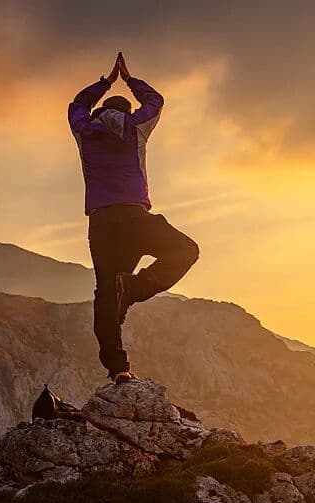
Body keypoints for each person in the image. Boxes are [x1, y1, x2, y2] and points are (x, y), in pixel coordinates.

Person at [68, 52, 199, 384]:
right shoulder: (135, 127)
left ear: (99, 111)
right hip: (135, 217)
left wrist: (105, 82)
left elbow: (76, 104)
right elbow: (155, 101)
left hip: (102, 224)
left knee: (105, 292)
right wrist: (130, 80)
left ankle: (118, 369)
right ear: (128, 111)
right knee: (185, 251)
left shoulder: (84, 129)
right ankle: (134, 289)